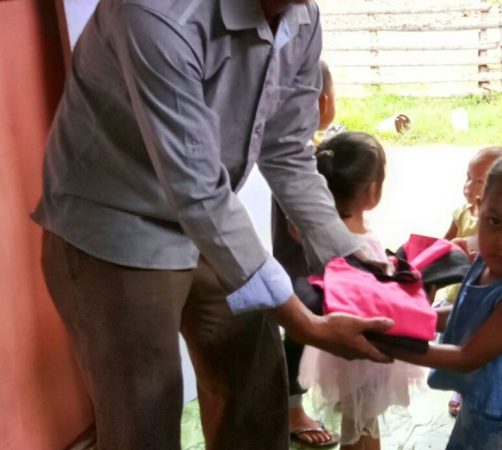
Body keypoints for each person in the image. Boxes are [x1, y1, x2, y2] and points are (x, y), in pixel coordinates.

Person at [32, 1, 393, 449]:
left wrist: (350, 261)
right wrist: (304, 323)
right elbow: (197, 190)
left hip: (208, 213)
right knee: (144, 419)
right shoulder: (156, 12)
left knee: (255, 381)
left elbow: (286, 149)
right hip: (114, 225)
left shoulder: (301, 15)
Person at [381, 151, 502, 450]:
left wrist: (388, 344)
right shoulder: (487, 261)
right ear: (479, 208)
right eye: (494, 222)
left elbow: (467, 357)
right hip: (483, 408)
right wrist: (406, 319)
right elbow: (465, 312)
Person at [296, 132, 425, 450]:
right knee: (364, 421)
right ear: (373, 191)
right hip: (366, 346)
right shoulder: (362, 245)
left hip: (334, 339)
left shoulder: (313, 231)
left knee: (355, 416)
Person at [271, 60, 341, 448]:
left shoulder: (307, 151)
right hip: (298, 268)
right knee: (303, 327)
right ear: (323, 102)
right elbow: (298, 228)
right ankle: (291, 408)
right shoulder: (298, 161)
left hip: (299, 263)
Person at [438, 144, 502, 417]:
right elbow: (443, 244)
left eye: (479, 181)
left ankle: (480, 386)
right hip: (456, 294)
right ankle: (460, 386)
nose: (469, 186)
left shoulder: (501, 225)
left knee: (479, 346)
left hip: (481, 297)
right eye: (468, 177)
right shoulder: (461, 213)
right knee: (456, 342)